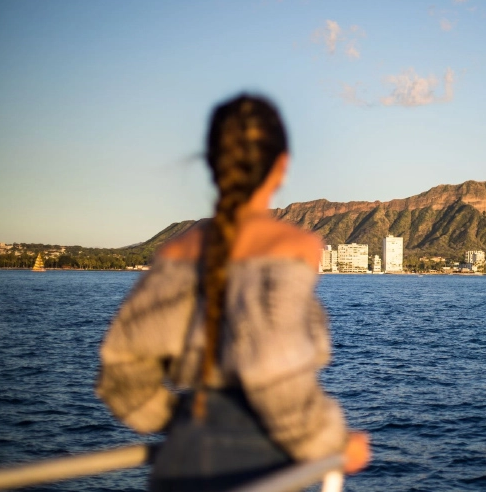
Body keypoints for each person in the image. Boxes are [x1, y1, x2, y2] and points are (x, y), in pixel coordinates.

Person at [96, 94, 370, 491]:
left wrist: (184, 417)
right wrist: (336, 444)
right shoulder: (292, 246)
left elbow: (120, 375)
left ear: (212, 163)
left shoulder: (175, 251)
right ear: (282, 166)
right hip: (256, 468)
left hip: (179, 464)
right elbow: (273, 375)